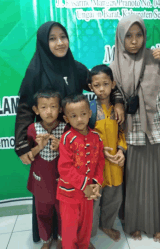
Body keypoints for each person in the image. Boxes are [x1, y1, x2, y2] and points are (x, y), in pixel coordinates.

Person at [14, 21, 125, 242]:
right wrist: (22, 144)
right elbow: (25, 106)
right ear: (44, 43)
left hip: (74, 144)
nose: (59, 42)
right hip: (48, 143)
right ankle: (50, 238)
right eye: (53, 38)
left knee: (74, 193)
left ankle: (74, 236)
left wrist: (119, 101)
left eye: (63, 37)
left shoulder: (75, 67)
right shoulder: (35, 70)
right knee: (47, 195)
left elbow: (100, 83)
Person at [110, 14, 160, 242]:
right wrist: (119, 104)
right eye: (129, 36)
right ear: (120, 38)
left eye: (139, 35)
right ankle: (136, 223)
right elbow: (117, 93)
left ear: (145, 36)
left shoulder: (155, 57)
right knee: (137, 180)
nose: (134, 41)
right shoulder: (114, 65)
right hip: (135, 130)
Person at [57, 94, 105, 249]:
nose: (79, 119)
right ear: (66, 118)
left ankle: (84, 246)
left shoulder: (97, 137)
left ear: (89, 114)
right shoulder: (66, 138)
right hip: (69, 193)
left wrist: (97, 182)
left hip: (89, 194)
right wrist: (85, 186)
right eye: (74, 116)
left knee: (86, 226)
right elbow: (65, 168)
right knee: (69, 229)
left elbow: (100, 162)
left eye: (83, 114)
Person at [88, 65, 127, 242]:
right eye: (97, 85)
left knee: (114, 197)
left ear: (113, 84)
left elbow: (122, 132)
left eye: (105, 84)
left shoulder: (118, 109)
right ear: (91, 87)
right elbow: (85, 136)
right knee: (94, 200)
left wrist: (121, 150)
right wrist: (99, 150)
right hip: (96, 163)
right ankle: (90, 233)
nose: (102, 89)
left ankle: (107, 224)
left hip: (115, 163)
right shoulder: (89, 110)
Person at [27, 89, 67, 249]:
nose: (49, 111)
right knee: (42, 214)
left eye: (53, 106)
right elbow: (26, 157)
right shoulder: (32, 129)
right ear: (36, 110)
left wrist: (61, 148)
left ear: (60, 109)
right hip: (40, 181)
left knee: (63, 213)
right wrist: (39, 147)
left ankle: (62, 238)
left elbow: (73, 157)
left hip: (61, 182)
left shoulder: (66, 129)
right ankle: (46, 239)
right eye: (43, 107)